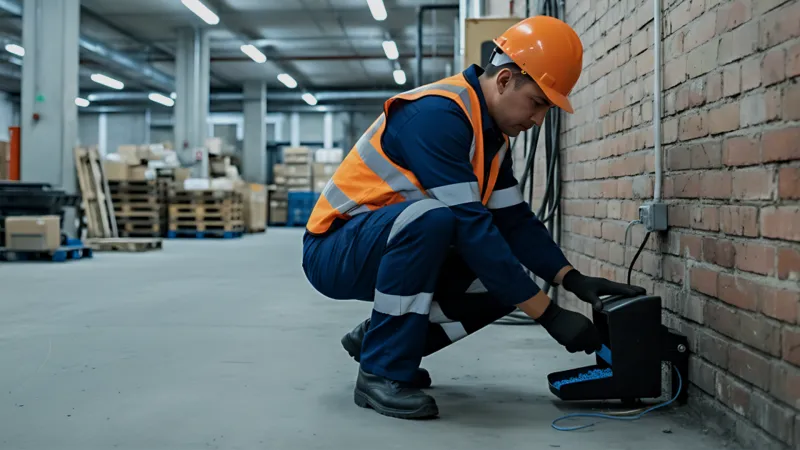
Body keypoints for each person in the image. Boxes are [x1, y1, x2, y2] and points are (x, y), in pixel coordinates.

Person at [301, 16, 645, 420]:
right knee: (434, 220)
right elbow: (471, 225)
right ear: (503, 80)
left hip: (390, 242)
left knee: (502, 284)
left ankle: (380, 341)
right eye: (536, 103)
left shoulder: (491, 139)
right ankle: (381, 374)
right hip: (336, 248)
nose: (538, 120)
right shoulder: (437, 116)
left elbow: (514, 221)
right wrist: (549, 316)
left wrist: (569, 277)